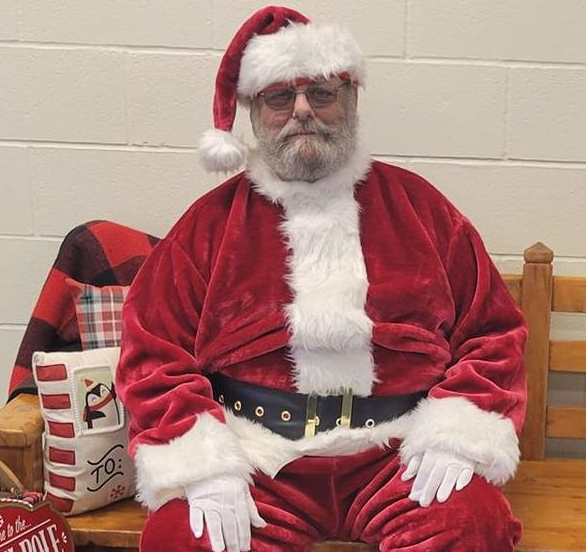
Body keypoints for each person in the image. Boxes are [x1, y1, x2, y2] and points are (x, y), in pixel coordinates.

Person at [117, 6, 527, 552]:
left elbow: (494, 334)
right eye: (281, 98)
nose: (303, 111)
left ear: (352, 100)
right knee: (180, 540)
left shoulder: (424, 212)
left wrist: (458, 433)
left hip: (396, 458)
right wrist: (205, 463)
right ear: (254, 113)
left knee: (473, 524)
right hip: (260, 462)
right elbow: (152, 355)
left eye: (322, 93)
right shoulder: (207, 228)